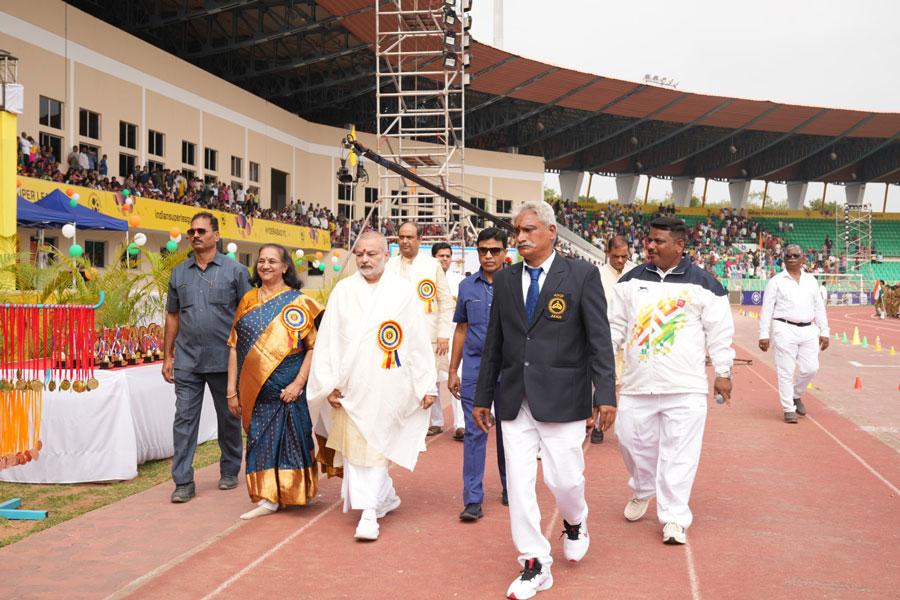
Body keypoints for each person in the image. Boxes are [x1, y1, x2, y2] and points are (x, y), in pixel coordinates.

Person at [474, 200, 616, 599]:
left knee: (564, 479)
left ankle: (575, 520)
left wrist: (604, 393)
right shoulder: (504, 280)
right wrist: (483, 395)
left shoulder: (582, 276)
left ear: (551, 232)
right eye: (517, 230)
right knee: (519, 483)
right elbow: (494, 344)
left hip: (564, 398)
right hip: (514, 399)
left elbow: (599, 341)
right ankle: (534, 562)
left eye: (529, 230)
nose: (519, 237)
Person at [609, 216, 734, 545]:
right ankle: (643, 488)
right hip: (637, 385)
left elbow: (720, 332)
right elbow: (613, 329)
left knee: (680, 454)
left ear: (679, 245)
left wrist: (723, 372)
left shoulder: (705, 284)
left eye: (658, 241)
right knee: (629, 441)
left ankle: (675, 517)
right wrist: (603, 371)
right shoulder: (630, 281)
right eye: (649, 240)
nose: (650, 246)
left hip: (685, 387)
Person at [307, 231, 437, 541]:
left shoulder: (402, 292)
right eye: (360, 253)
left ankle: (374, 507)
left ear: (386, 256)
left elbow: (417, 340)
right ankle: (377, 505)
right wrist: (329, 385)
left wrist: (426, 383)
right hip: (351, 386)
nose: (365, 259)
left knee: (378, 445)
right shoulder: (343, 291)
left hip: (391, 383)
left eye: (372, 254)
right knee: (357, 448)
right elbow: (328, 341)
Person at [225, 244, 323, 520]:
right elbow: (233, 346)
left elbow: (314, 347)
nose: (265, 266)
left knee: (295, 438)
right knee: (259, 440)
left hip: (289, 388)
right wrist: (231, 390)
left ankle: (295, 493)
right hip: (255, 391)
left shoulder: (300, 302)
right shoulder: (247, 300)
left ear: (285, 267)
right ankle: (268, 497)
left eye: (272, 261)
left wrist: (299, 383)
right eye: (261, 261)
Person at [162, 212, 252, 503]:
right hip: (187, 361)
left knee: (229, 419)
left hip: (225, 360)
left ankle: (229, 469)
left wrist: (246, 358)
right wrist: (167, 356)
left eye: (202, 230)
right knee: (184, 420)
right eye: (192, 231)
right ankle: (183, 481)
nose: (196, 235)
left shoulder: (235, 271)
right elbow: (173, 316)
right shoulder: (179, 273)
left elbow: (247, 315)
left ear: (216, 234)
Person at [448, 228, 509, 522]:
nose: (488, 255)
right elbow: (461, 328)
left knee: (510, 431)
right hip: (474, 369)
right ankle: (472, 499)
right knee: (475, 432)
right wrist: (452, 369)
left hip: (509, 370)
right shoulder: (466, 287)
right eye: (483, 250)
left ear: (505, 253)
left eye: (494, 250)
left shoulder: (518, 283)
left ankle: (511, 486)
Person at [386, 222, 453, 436]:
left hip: (427, 334)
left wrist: (443, 334)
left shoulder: (431, 265)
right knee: (400, 381)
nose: (405, 241)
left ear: (419, 240)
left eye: (409, 237)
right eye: (401, 237)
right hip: (396, 336)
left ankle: (422, 429)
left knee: (426, 383)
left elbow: (444, 301)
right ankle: (402, 428)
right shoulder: (389, 266)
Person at [758, 244, 829, 423]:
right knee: (785, 370)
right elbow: (766, 309)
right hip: (784, 327)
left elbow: (819, 307)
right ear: (784, 258)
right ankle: (789, 409)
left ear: (803, 258)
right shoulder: (776, 281)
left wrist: (825, 331)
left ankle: (796, 395)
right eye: (788, 255)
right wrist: (763, 334)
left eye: (795, 255)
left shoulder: (811, 281)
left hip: (808, 329)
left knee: (811, 368)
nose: (791, 258)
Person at [589, 235, 636, 444]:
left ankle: (629, 429)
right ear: (607, 253)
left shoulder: (637, 274)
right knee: (601, 383)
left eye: (624, 256)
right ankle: (597, 424)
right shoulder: (596, 275)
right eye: (616, 256)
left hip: (631, 341)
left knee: (630, 387)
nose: (620, 260)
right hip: (604, 339)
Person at [432, 241, 466, 440]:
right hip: (432, 336)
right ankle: (436, 421)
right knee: (432, 379)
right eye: (440, 255)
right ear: (434, 257)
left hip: (454, 335)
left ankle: (460, 424)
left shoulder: (460, 281)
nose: (444, 259)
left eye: (447, 255)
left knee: (457, 378)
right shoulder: (426, 281)